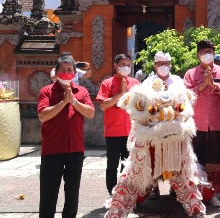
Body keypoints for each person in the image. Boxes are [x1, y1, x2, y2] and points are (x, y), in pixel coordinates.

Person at [38, 55, 95, 218]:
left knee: (72, 193)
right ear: (55, 72)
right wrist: (63, 102)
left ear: (75, 72)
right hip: (52, 150)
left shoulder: (81, 91)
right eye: (62, 69)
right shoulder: (47, 91)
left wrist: (74, 102)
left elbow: (90, 113)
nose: (66, 72)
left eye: (70, 69)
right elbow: (43, 115)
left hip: (75, 150)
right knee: (49, 194)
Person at [184, 40, 220, 207]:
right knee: (201, 161)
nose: (207, 54)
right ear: (198, 55)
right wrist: (202, 86)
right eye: (204, 51)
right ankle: (205, 194)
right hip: (198, 124)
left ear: (214, 54)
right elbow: (186, 95)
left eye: (210, 51)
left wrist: (214, 86)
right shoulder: (191, 74)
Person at [141, 51, 184, 199]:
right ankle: (154, 188)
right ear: (155, 65)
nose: (163, 67)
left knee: (173, 157)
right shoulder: (148, 82)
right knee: (154, 157)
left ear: (170, 65)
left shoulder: (177, 81)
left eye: (166, 64)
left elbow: (183, 101)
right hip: (155, 127)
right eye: (160, 64)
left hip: (173, 127)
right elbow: (143, 102)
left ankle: (174, 188)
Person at [96, 53, 140, 196]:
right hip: (113, 131)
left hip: (131, 131)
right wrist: (119, 94)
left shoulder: (135, 83)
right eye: (123, 65)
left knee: (128, 163)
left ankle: (126, 190)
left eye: (128, 64)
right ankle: (112, 192)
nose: (126, 67)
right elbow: (103, 106)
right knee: (113, 163)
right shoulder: (107, 83)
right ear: (116, 66)